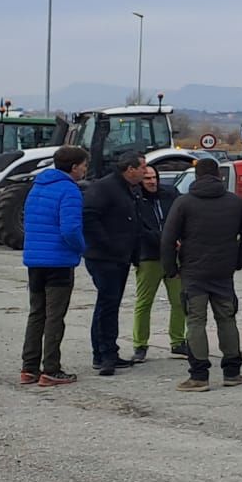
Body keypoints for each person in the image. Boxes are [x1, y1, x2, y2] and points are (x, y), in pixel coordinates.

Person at [160, 158, 242, 392]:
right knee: (227, 319)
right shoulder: (234, 202)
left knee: (195, 321)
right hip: (223, 272)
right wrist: (238, 261)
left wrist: (171, 269)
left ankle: (199, 376)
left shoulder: (184, 203)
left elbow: (168, 239)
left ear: (196, 175)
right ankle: (232, 372)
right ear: (219, 176)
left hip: (193, 272)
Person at [19, 145, 88, 387]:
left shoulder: (37, 187)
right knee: (55, 316)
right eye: (83, 165)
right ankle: (51, 368)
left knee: (36, 313)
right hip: (58, 261)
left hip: (35, 260)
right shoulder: (69, 190)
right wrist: (82, 248)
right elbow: (70, 228)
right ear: (74, 167)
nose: (85, 170)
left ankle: (29, 367)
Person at [80, 152, 146, 376]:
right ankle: (105, 354)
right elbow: (89, 216)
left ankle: (106, 351)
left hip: (120, 257)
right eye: (143, 168)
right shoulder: (105, 188)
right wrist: (109, 245)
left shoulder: (128, 189)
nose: (146, 172)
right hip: (104, 257)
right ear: (130, 169)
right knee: (107, 305)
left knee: (109, 304)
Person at [131, 162, 188, 363]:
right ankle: (140, 344)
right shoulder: (136, 199)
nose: (152, 182)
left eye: (154, 178)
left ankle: (178, 341)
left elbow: (183, 216)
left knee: (179, 301)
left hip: (174, 256)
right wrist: (166, 239)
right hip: (150, 256)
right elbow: (139, 229)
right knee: (144, 303)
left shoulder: (170, 193)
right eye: (147, 178)